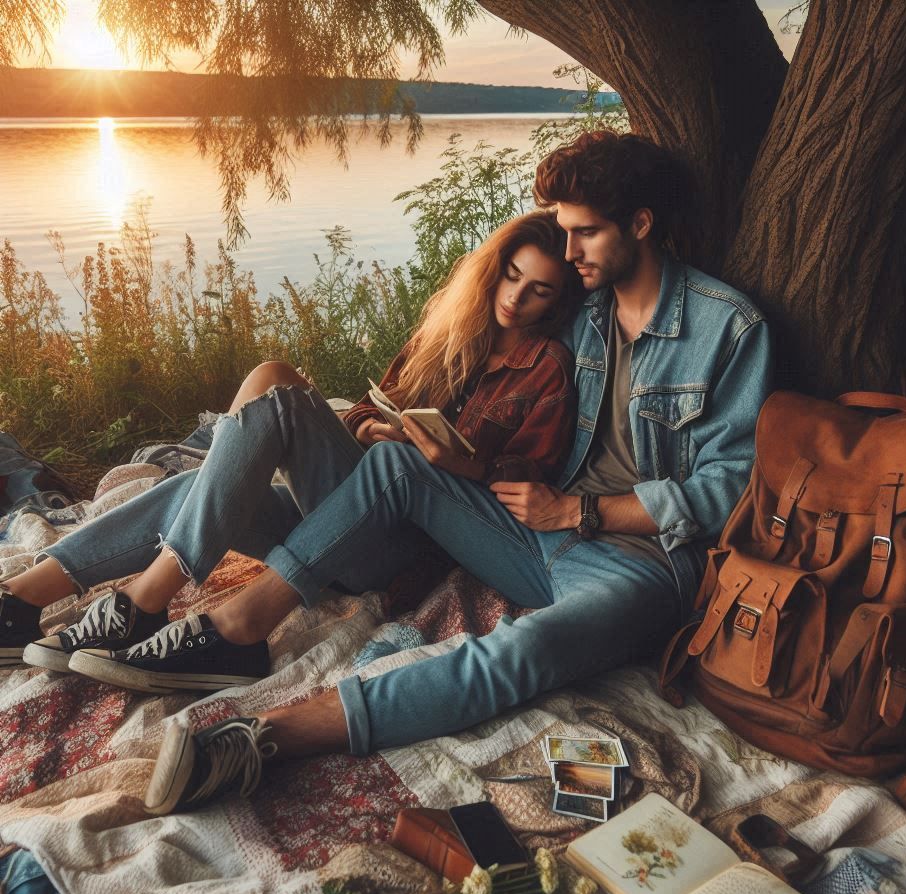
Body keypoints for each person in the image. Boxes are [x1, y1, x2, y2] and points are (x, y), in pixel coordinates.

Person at [94, 130, 774, 817]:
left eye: (586, 234)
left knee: (523, 651)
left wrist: (579, 513)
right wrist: (414, 420)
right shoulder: (581, 310)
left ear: (642, 224)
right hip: (527, 528)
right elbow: (498, 341)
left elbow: (729, 491)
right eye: (564, 233)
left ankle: (258, 740)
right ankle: (242, 627)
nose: (569, 253)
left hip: (641, 560)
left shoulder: (728, 328)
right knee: (391, 463)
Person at [0, 211, 581, 678]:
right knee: (203, 472)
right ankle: (24, 600)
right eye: (511, 275)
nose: (516, 297)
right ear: (494, 268)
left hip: (407, 545)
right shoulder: (449, 333)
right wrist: (367, 427)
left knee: (280, 392)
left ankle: (145, 600)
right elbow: (369, 404)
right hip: (349, 507)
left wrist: (462, 464)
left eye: (538, 292)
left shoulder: (547, 367)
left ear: (555, 302)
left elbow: (533, 477)